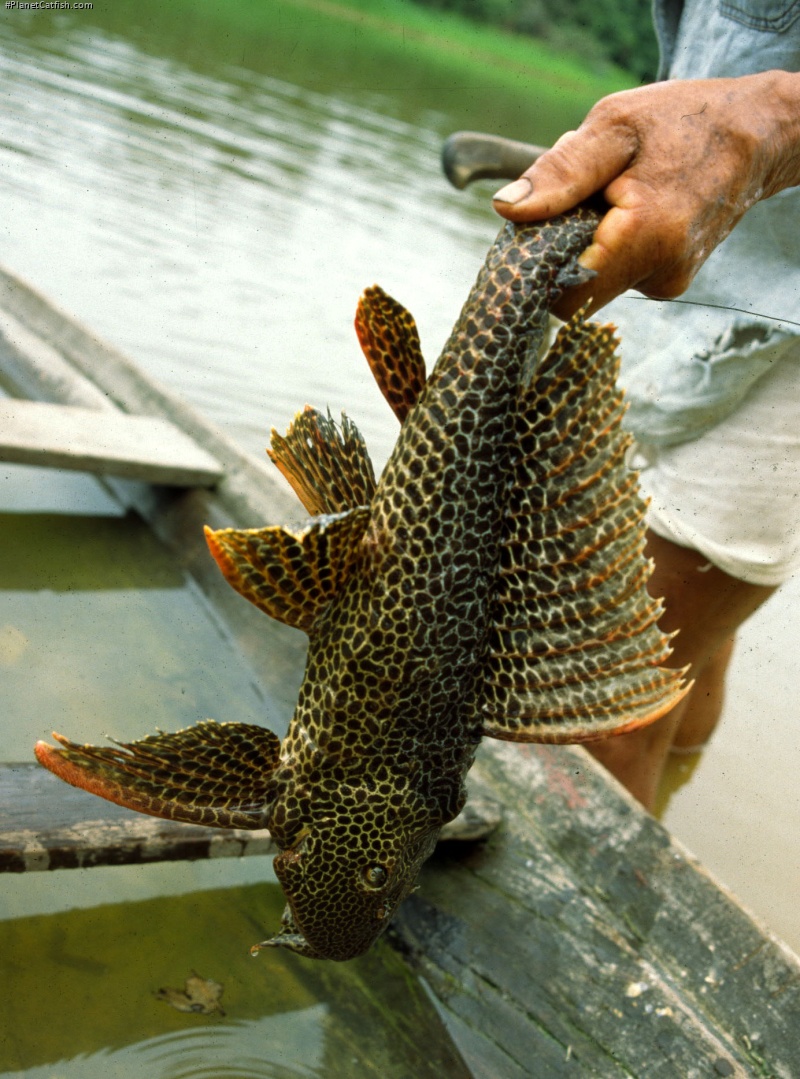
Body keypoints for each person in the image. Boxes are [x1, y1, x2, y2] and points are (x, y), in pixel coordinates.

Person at [492, 0, 800, 810]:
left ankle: (579, 910)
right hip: (689, 248)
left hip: (789, 318)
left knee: (594, 702)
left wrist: (763, 123)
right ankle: (669, 810)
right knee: (683, 639)